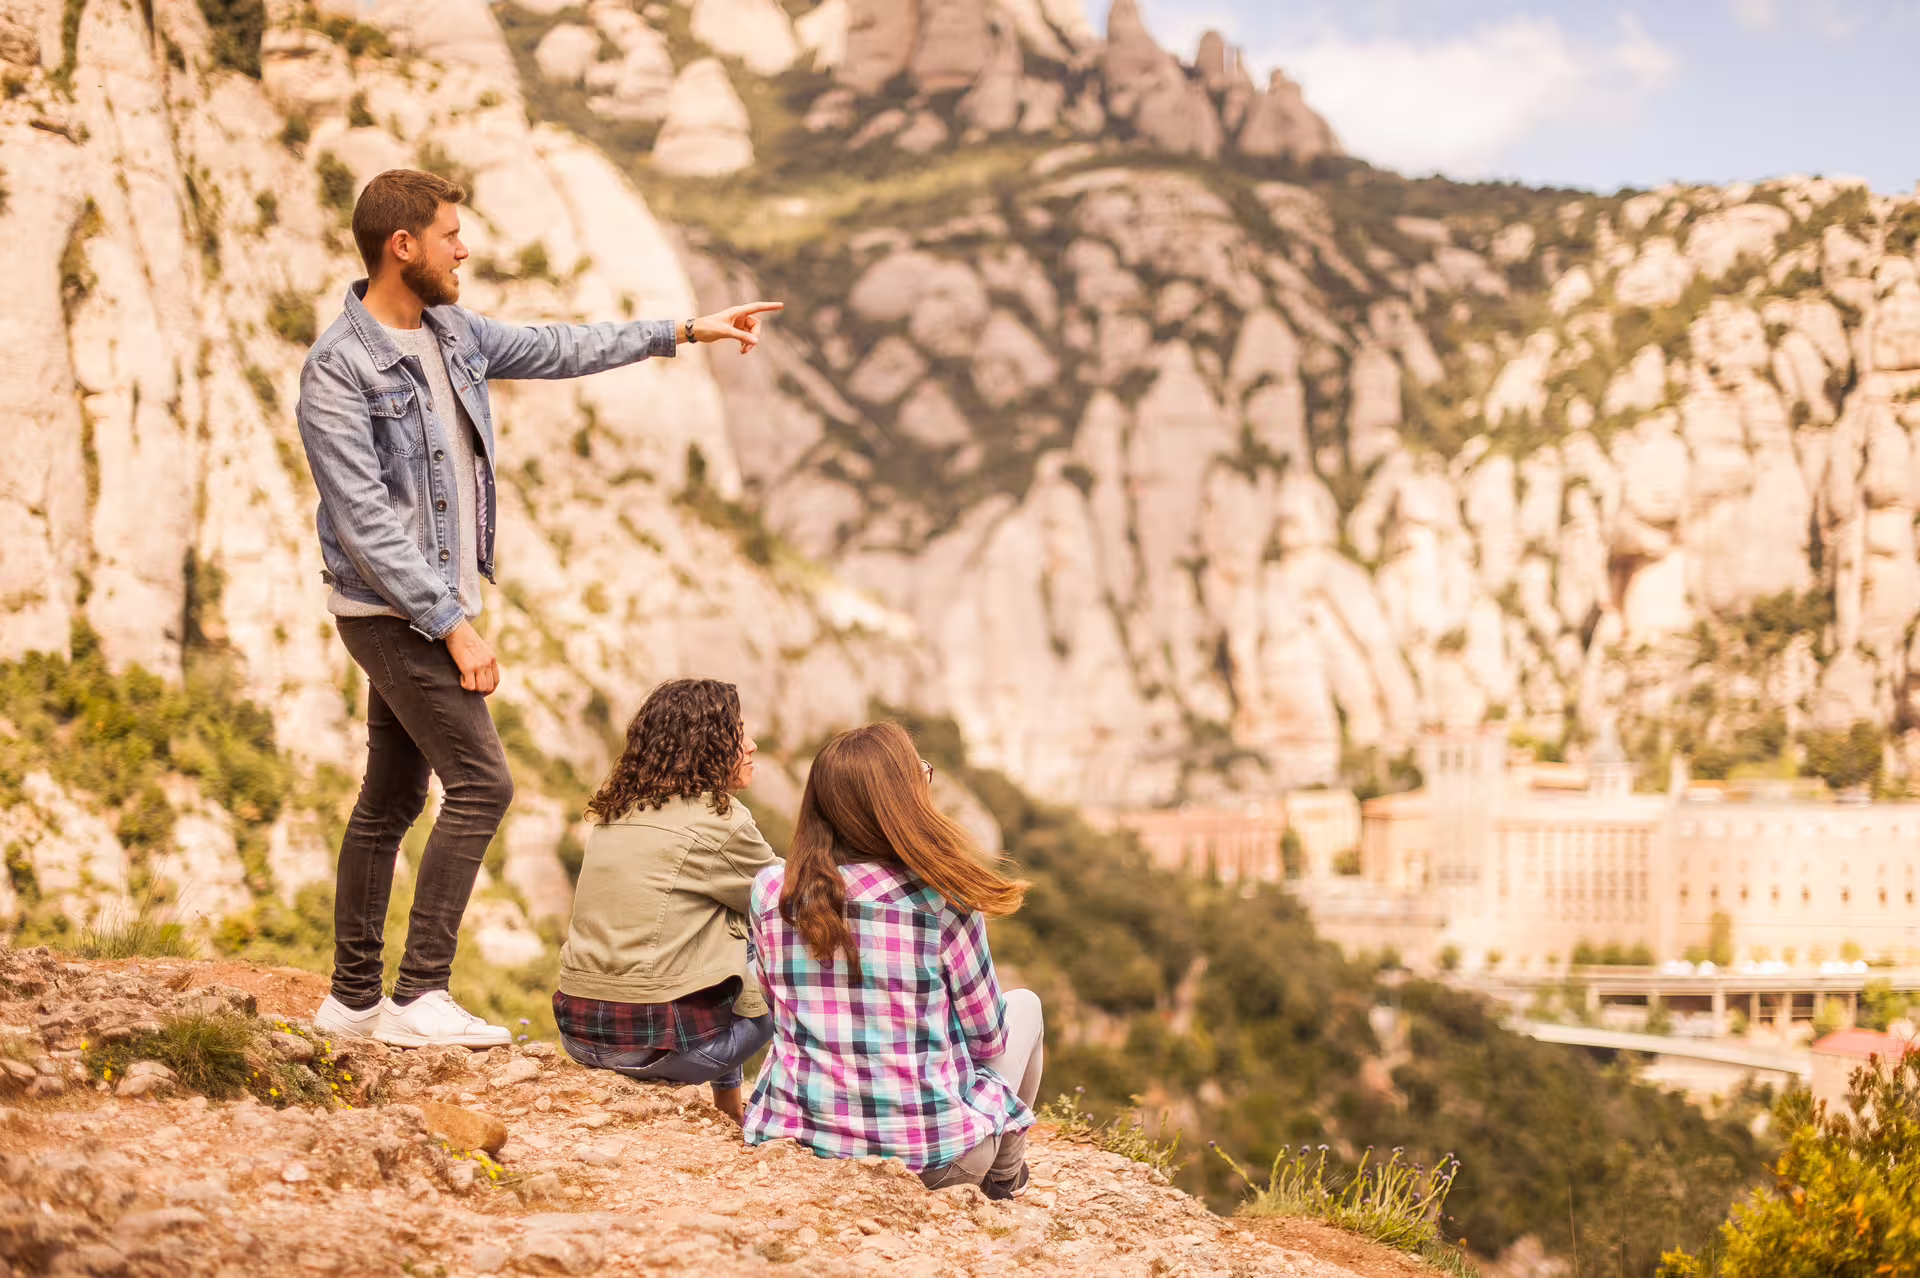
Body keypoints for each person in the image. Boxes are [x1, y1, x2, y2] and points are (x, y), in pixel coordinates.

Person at [302, 167, 782, 1048]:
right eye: (451, 235)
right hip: (391, 612)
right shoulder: (338, 368)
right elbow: (364, 520)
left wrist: (680, 331)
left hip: (429, 608)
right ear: (402, 246)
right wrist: (454, 626)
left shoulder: (452, 334)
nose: (466, 249)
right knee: (484, 785)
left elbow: (562, 346)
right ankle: (419, 996)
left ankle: (354, 998)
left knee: (388, 799)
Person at [743, 722, 1044, 1199]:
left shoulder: (770, 892)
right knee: (1025, 1005)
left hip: (800, 1140)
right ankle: (1005, 1175)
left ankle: (1001, 1169)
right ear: (903, 802)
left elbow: (777, 1004)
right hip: (931, 1161)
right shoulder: (943, 902)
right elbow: (988, 1040)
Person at [553, 679, 777, 1123]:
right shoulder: (721, 820)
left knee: (720, 925)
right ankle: (798, 1110)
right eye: (738, 734)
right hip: (663, 1052)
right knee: (786, 942)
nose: (751, 746)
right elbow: (789, 897)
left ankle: (730, 1103)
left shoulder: (614, 813)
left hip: (579, 1037)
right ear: (707, 745)